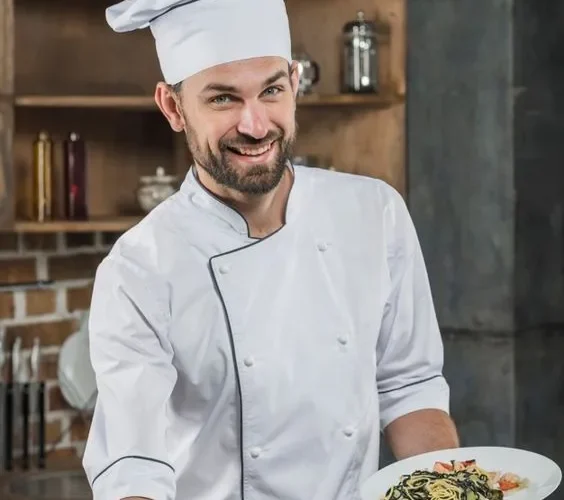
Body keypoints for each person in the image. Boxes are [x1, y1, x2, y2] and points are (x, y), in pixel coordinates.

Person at [82, 0, 460, 499]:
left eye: (272, 90)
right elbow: (135, 464)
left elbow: (407, 385)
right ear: (173, 107)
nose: (256, 125)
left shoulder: (373, 213)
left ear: (295, 84)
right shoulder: (140, 268)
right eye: (222, 99)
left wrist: (455, 490)